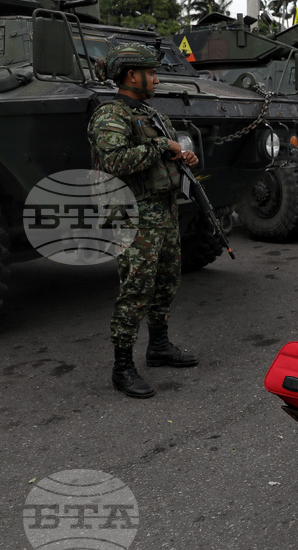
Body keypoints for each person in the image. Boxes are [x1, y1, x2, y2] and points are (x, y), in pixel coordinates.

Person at [88, 44, 200, 399]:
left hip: (162, 211)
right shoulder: (110, 115)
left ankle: (159, 347)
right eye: (150, 73)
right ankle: (122, 367)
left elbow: (167, 153)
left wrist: (184, 156)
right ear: (131, 76)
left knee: (167, 281)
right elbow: (114, 162)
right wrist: (163, 148)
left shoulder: (152, 114)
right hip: (133, 215)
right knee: (136, 290)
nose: (156, 78)